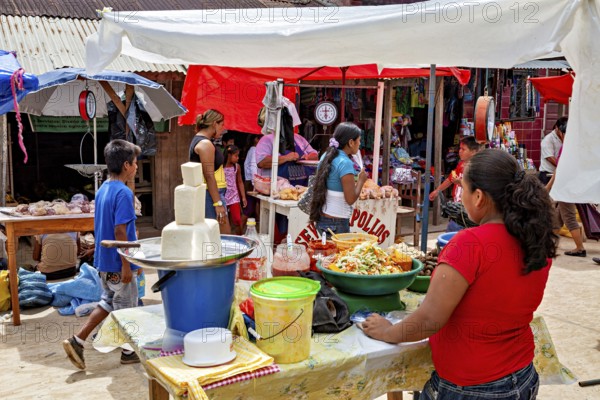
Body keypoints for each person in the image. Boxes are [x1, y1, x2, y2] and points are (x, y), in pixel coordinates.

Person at [363, 149, 558, 400]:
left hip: (472, 387)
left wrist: (388, 331)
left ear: (478, 197)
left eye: (462, 189)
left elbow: (430, 319)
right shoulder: (536, 238)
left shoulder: (470, 243)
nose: (461, 196)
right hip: (522, 377)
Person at [63, 139, 142, 370]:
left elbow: (103, 227)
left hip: (105, 261)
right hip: (119, 262)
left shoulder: (104, 189)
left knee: (108, 301)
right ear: (126, 165)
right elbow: (119, 231)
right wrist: (127, 265)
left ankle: (77, 340)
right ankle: (128, 351)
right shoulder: (124, 193)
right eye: (135, 163)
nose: (137, 167)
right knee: (128, 306)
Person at [308, 122, 368, 235]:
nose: (360, 144)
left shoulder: (326, 156)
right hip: (337, 222)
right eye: (359, 140)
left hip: (323, 220)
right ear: (351, 142)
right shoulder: (345, 163)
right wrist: (361, 181)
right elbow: (350, 199)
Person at [545, 121, 586, 257]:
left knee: (568, 217)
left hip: (566, 188)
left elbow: (559, 169)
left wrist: (549, 186)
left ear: (563, 133)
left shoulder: (567, 148)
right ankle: (549, 243)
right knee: (557, 216)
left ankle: (580, 248)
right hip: (568, 186)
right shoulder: (575, 147)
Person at [189, 109, 230, 234]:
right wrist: (217, 204)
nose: (223, 128)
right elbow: (209, 176)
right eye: (222, 125)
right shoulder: (205, 144)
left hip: (212, 193)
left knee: (216, 235)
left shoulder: (202, 140)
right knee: (223, 236)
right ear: (214, 124)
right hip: (210, 194)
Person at [429, 135, 481, 231]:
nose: (459, 151)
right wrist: (437, 191)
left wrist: (460, 182)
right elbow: (450, 180)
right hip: (457, 208)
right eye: (460, 148)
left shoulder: (477, 168)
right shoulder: (461, 164)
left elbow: (476, 187)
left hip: (467, 211)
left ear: (473, 152)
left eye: (463, 149)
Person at [223, 145, 247, 235]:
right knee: (224, 221)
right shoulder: (220, 166)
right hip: (223, 196)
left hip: (234, 197)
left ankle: (240, 238)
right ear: (229, 155)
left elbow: (240, 182)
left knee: (237, 219)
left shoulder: (237, 167)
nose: (238, 158)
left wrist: (243, 197)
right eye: (236, 156)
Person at [539, 117, 567, 185]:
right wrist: (563, 166)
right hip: (547, 175)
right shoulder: (548, 140)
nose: (564, 135)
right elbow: (550, 158)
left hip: (559, 173)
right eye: (562, 132)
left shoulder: (566, 138)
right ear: (556, 128)